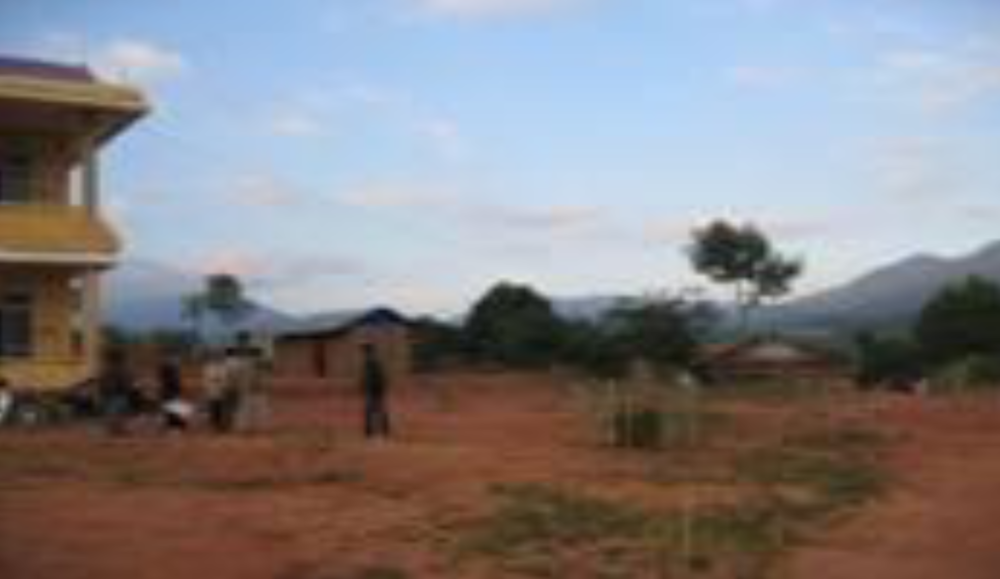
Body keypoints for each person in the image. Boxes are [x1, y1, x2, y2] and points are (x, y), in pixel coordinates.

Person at [99, 348, 135, 436]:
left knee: (115, 412)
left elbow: (103, 382)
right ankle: (117, 429)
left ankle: (116, 429)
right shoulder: (119, 369)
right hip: (117, 393)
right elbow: (127, 380)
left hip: (113, 394)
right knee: (117, 412)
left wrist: (103, 391)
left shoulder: (107, 369)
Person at [360, 344, 391, 438]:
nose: (366, 354)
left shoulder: (373, 363)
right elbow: (368, 378)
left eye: (366, 352)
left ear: (370, 352)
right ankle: (374, 431)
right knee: (375, 411)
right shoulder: (369, 363)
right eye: (366, 352)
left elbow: (379, 378)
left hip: (376, 391)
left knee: (376, 411)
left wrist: (377, 389)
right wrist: (364, 387)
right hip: (374, 391)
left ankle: (374, 431)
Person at [203, 351, 234, 433]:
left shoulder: (224, 368)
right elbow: (206, 379)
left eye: (219, 357)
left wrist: (224, 386)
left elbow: (227, 379)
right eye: (216, 356)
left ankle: (221, 426)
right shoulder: (208, 367)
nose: (217, 358)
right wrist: (208, 386)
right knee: (213, 408)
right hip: (212, 391)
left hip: (221, 391)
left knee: (221, 409)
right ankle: (213, 426)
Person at [157, 356, 191, 432]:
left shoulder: (165, 372)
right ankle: (177, 425)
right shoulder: (171, 373)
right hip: (171, 394)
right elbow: (175, 384)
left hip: (168, 394)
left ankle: (174, 425)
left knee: (172, 412)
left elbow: (174, 384)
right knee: (176, 411)